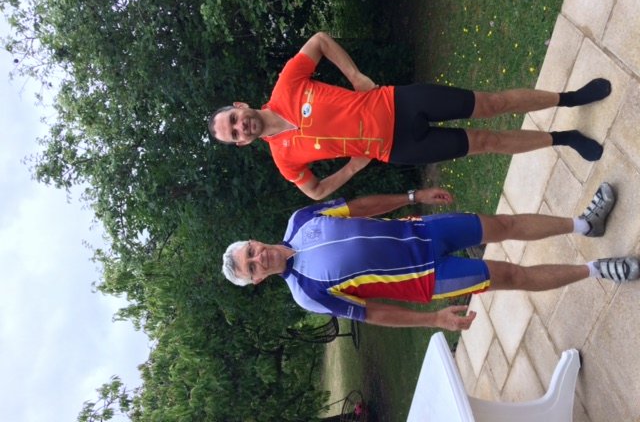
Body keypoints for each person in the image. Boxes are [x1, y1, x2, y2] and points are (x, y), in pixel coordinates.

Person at [208, 32, 611, 200]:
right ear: (241, 143)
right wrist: (351, 168)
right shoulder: (283, 159)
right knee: (485, 143)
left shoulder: (287, 86)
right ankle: (565, 139)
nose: (241, 127)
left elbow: (319, 42)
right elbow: (314, 191)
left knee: (490, 103)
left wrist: (356, 76)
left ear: (240, 106)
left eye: (235, 120)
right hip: (399, 147)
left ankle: (570, 98)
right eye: (235, 134)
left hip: (398, 102)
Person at [221, 183, 639, 330]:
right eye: (252, 267)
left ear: (254, 241)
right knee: (512, 275)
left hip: (422, 230)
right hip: (428, 277)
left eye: (252, 252)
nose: (260, 259)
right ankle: (597, 270)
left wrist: (413, 196)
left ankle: (585, 224)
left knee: (503, 224)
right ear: (257, 280)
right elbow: (373, 313)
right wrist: (432, 319)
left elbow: (361, 207)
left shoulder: (300, 219)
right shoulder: (306, 293)